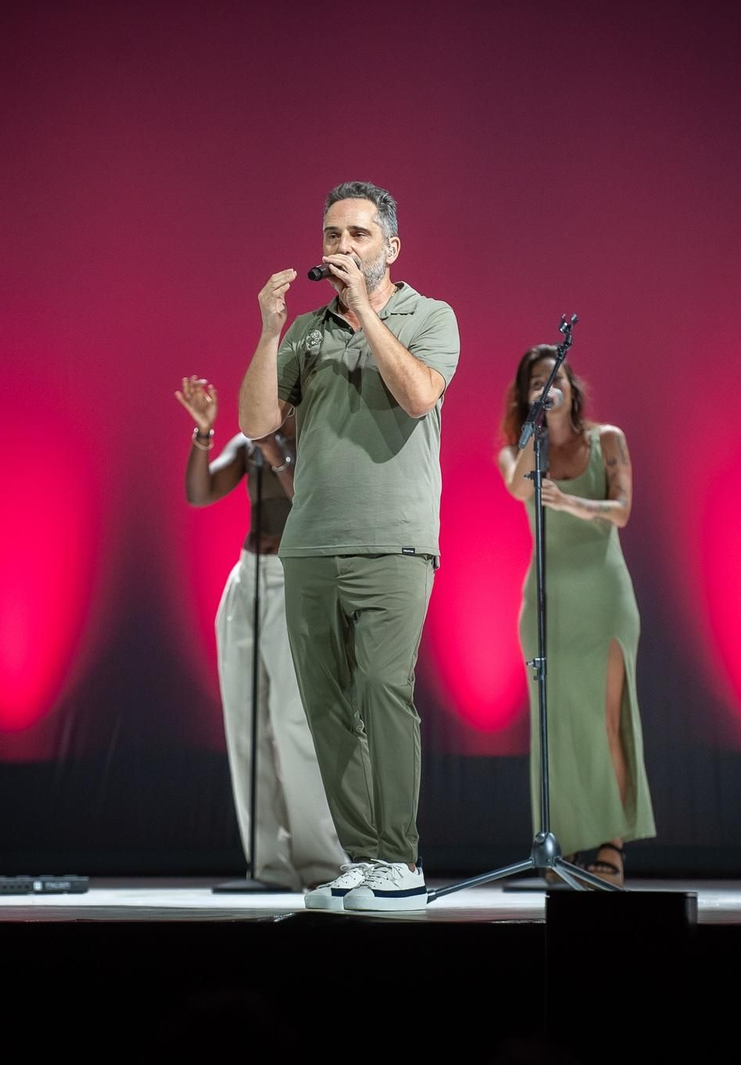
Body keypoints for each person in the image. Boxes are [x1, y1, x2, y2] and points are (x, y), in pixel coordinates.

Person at [237, 181, 459, 913]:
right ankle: (363, 856)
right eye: (333, 235)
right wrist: (271, 332)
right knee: (325, 707)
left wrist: (364, 310)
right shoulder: (307, 331)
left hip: (394, 543)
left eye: (359, 236)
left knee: (384, 691)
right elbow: (260, 421)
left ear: (390, 247)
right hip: (310, 544)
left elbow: (419, 394)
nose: (342, 248)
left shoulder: (430, 316)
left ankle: (400, 856)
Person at [176, 374, 346, 890]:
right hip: (248, 577)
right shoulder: (249, 438)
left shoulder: (323, 434)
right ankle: (267, 865)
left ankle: (321, 864)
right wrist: (204, 434)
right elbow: (199, 492)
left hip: (297, 578)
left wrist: (274, 447)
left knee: (294, 724)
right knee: (246, 723)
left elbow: (309, 499)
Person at [496, 345, 654, 886]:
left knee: (605, 719)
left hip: (604, 596)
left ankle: (611, 845)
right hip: (547, 600)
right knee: (555, 728)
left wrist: (570, 503)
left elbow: (623, 509)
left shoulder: (607, 440)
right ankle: (560, 845)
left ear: (572, 385)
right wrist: (533, 430)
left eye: (554, 376)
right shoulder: (519, 452)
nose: (548, 384)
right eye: (536, 380)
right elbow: (517, 485)